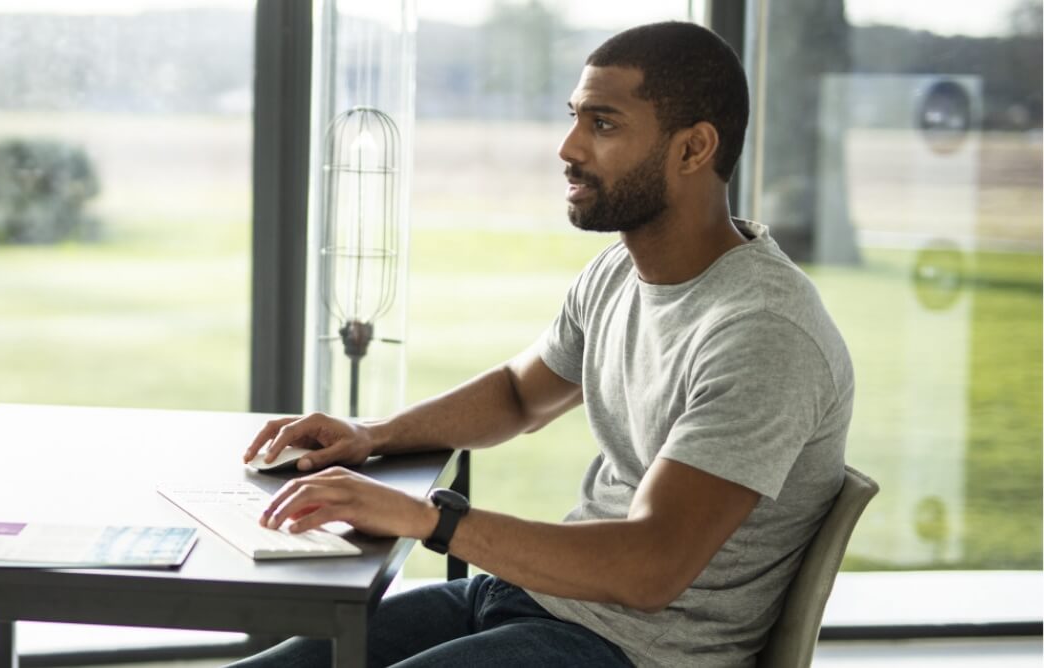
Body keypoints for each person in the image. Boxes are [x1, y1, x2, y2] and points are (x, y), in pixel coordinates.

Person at [234, 21, 852, 668]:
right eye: (573, 117)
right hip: (534, 599)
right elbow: (517, 395)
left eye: (602, 124)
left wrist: (431, 520)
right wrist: (373, 435)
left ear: (693, 148)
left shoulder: (762, 333)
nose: (568, 147)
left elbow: (650, 567)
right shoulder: (619, 272)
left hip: (629, 650)